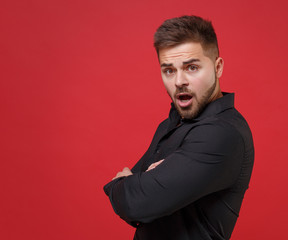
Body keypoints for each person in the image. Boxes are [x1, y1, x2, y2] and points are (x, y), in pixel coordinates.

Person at [104, 15, 254, 240]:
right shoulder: (171, 123)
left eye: (191, 67)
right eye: (169, 70)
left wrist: (125, 183)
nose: (179, 81)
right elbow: (132, 205)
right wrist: (137, 188)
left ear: (218, 67)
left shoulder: (223, 132)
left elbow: (136, 202)